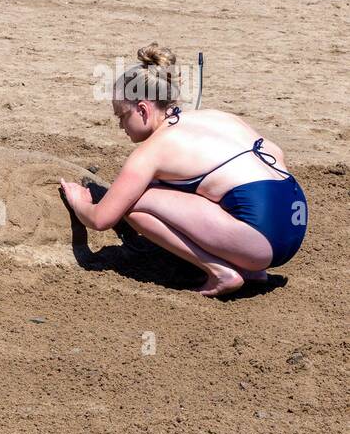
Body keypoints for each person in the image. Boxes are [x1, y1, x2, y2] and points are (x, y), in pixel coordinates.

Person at [60, 44, 308, 296]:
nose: (121, 126)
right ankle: (251, 269)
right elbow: (276, 153)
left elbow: (101, 219)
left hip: (261, 235)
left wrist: (79, 202)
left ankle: (221, 271)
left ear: (143, 109)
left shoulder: (152, 151)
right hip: (293, 218)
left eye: (122, 116)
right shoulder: (215, 117)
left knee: (133, 204)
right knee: (203, 189)